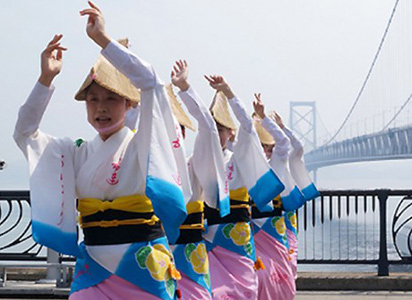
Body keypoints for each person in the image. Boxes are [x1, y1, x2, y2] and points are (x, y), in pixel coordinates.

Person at [13, 2, 189, 299]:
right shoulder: (74, 151)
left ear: (129, 104)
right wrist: (46, 79)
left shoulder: (141, 143)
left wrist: (103, 40)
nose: (101, 107)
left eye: (111, 98)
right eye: (92, 100)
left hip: (143, 264)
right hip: (93, 267)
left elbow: (152, 83)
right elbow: (25, 133)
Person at [203, 75, 284, 300]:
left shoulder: (236, 159)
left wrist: (229, 92)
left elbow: (248, 128)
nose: (214, 134)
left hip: (234, 238)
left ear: (230, 133)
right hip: (207, 238)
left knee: (242, 291)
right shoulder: (195, 162)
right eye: (210, 128)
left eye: (220, 129)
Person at [169, 60, 230, 300]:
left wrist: (185, 88)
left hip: (189, 253)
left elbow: (208, 128)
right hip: (153, 254)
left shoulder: (193, 163)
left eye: (176, 129)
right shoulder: (143, 164)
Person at [251, 94, 304, 300]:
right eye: (264, 147)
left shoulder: (280, 162)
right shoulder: (249, 164)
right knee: (259, 274)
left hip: (278, 224)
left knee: (285, 270)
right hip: (253, 226)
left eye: (270, 147)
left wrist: (272, 122)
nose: (267, 151)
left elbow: (293, 147)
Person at [272, 112, 320, 280]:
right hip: (261, 221)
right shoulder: (255, 162)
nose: (268, 150)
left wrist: (283, 128)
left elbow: (298, 147)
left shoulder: (283, 158)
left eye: (271, 145)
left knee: (288, 258)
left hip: (285, 215)